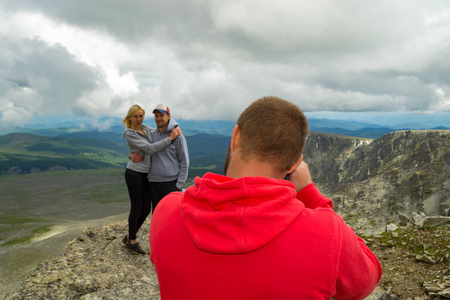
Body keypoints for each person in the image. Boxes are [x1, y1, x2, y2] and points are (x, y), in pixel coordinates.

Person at [149, 96, 382, 299]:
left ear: (235, 137)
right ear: (294, 164)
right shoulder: (328, 235)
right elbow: (365, 280)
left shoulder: (166, 211)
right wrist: (312, 195)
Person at [121, 104, 182, 255]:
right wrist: (170, 138)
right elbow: (149, 148)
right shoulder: (129, 133)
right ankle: (132, 241)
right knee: (136, 207)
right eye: (135, 116)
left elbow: (158, 131)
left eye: (141, 115)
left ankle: (130, 235)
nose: (139, 119)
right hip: (134, 173)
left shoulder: (146, 129)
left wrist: (174, 128)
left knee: (146, 208)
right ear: (130, 118)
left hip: (146, 174)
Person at [131, 103, 189, 212]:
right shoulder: (151, 134)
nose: (159, 118)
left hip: (171, 183)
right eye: (156, 116)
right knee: (158, 214)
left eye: (161, 115)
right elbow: (143, 149)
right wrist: (131, 156)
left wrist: (179, 184)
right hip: (153, 183)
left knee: (173, 214)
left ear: (169, 116)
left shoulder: (177, 136)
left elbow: (184, 161)